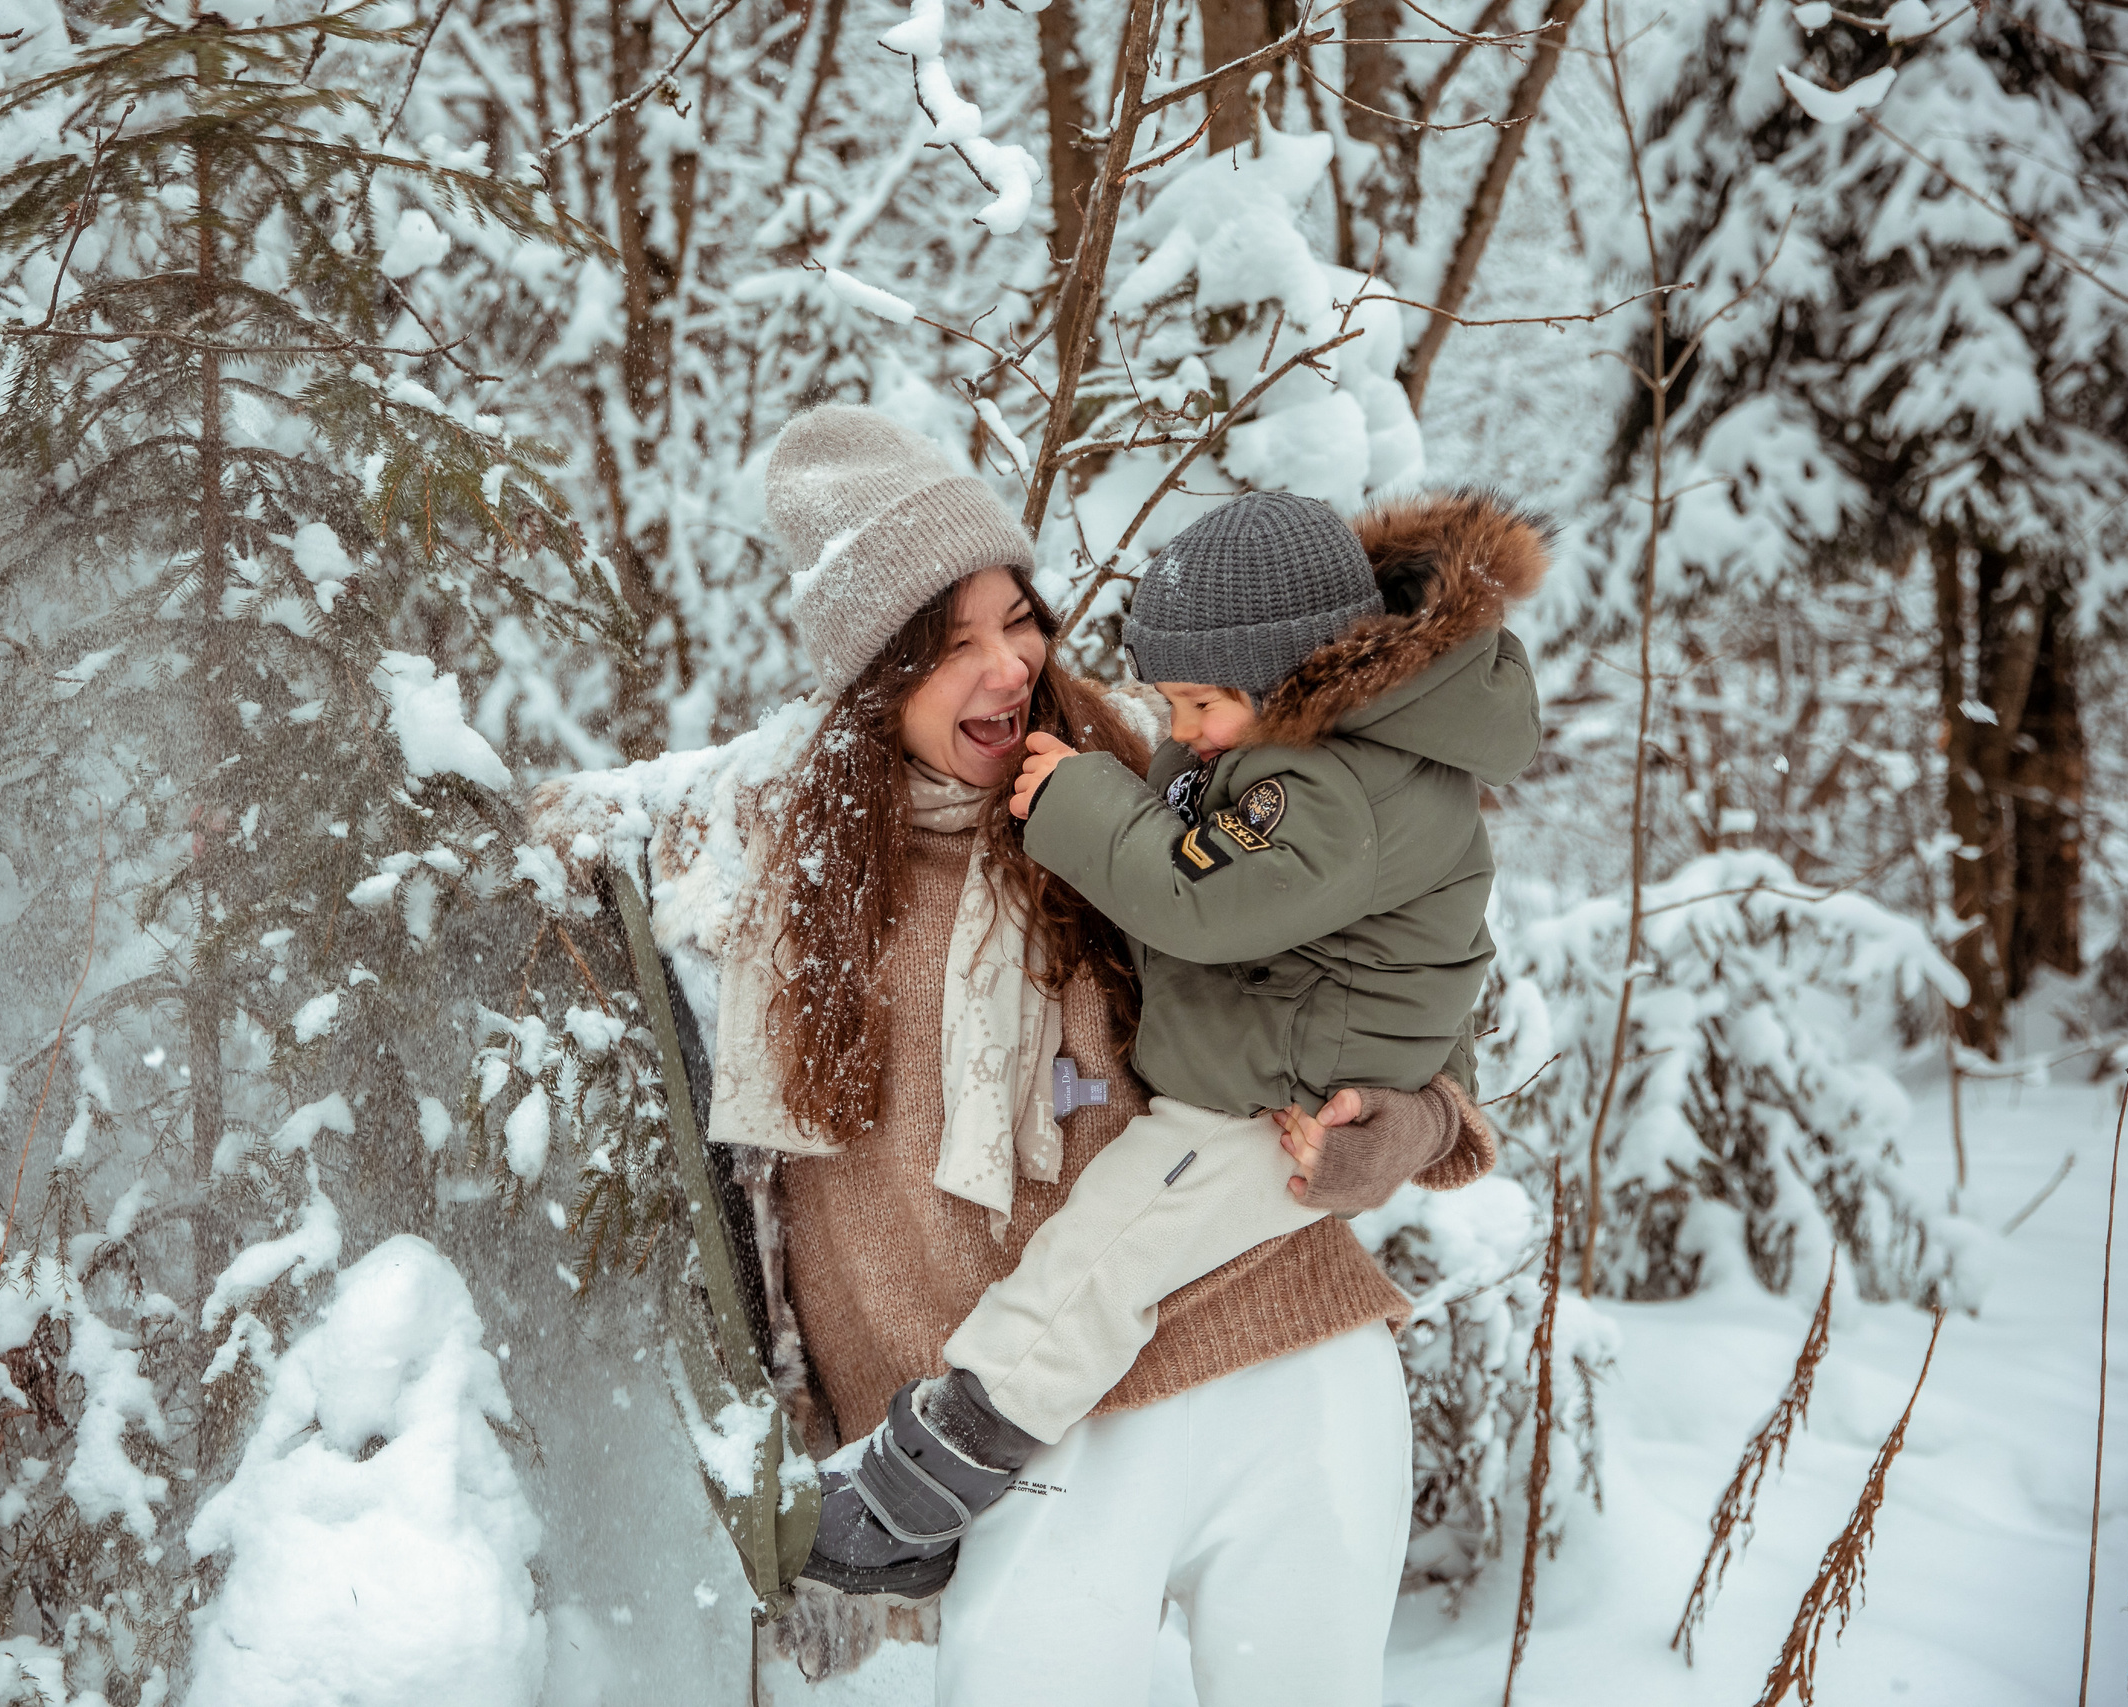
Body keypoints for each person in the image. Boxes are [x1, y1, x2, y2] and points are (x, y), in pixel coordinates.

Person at [527, 406, 1502, 1702]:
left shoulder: (1154, 784)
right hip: (1038, 1440)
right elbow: (553, 846)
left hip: (1292, 1362)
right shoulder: (765, 854)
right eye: (952, 646)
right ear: (872, 677)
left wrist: (1418, 1119)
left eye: (1019, 619)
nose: (1010, 667)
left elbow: (1398, 965)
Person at [803, 488, 1550, 1611]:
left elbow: (1201, 902)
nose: (1183, 729)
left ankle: (927, 1483)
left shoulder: (1324, 786)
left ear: (1294, 677)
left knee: (1099, 1259)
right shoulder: (1328, 749)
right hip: (1264, 1084)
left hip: (1269, 1110)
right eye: (953, 644)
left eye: (1201, 704)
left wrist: (1082, 798)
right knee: (1106, 1258)